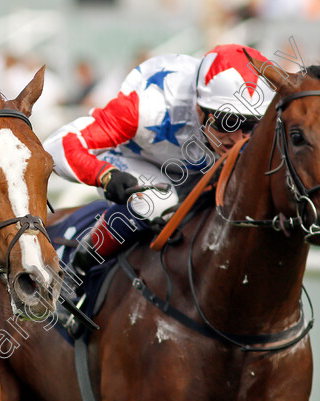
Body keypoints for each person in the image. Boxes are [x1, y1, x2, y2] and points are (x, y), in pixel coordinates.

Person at [44, 44, 275, 288]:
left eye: (251, 126)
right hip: (136, 161)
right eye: (228, 122)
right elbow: (56, 145)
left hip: (194, 169)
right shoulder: (149, 107)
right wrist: (105, 175)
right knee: (156, 203)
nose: (238, 139)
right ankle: (78, 268)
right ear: (199, 109)